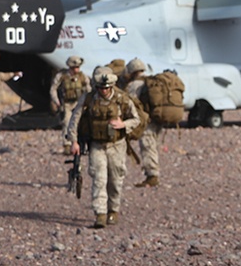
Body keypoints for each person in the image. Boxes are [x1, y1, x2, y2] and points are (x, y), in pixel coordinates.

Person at [66, 66, 140, 228]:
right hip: (97, 145)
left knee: (115, 180)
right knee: (99, 179)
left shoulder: (122, 99)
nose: (104, 91)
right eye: (100, 88)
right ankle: (100, 213)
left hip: (116, 146)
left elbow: (136, 119)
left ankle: (113, 210)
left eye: (106, 88)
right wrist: (74, 141)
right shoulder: (88, 99)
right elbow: (75, 118)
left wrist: (123, 124)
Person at [124, 57, 161, 187]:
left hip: (146, 122)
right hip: (156, 120)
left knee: (147, 147)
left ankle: (152, 176)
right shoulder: (150, 82)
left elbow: (129, 103)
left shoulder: (133, 85)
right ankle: (153, 173)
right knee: (153, 146)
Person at [49, 55, 90, 154]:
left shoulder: (82, 76)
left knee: (81, 123)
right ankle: (67, 145)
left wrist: (88, 101)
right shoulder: (62, 76)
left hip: (79, 103)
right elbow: (53, 89)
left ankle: (82, 144)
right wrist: (56, 101)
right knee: (67, 123)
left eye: (78, 67)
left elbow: (88, 89)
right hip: (67, 104)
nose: (77, 69)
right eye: (75, 67)